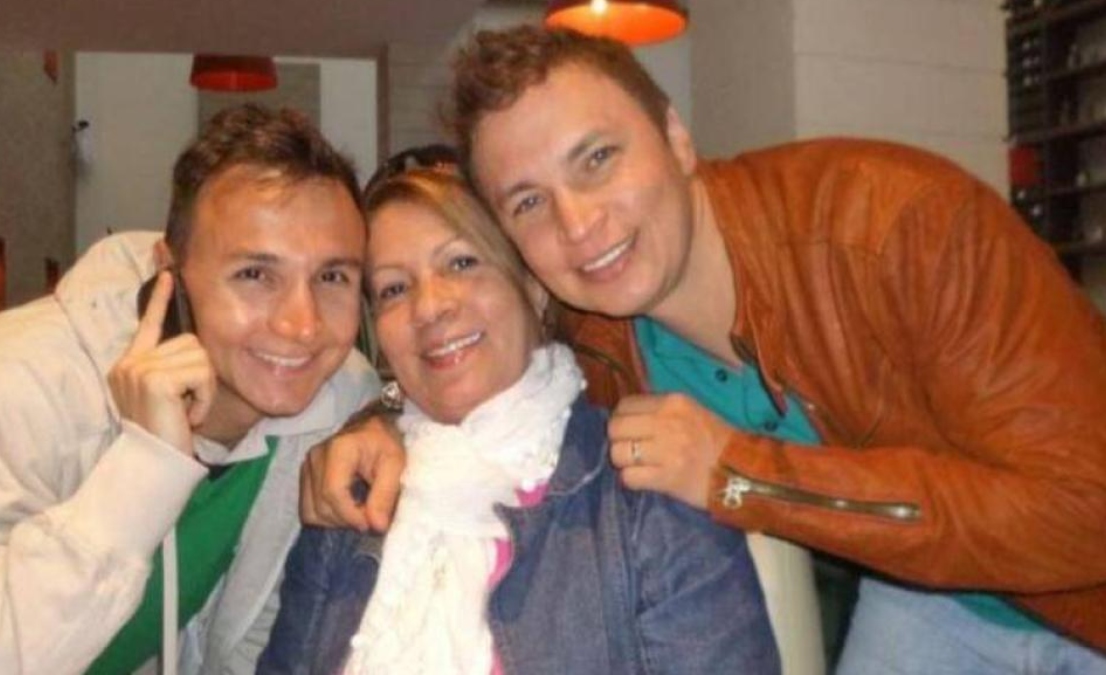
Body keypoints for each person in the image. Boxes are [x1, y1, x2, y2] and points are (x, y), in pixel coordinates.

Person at [303, 25, 1106, 673]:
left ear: (676, 137)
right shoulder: (591, 322)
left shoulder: (901, 227)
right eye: (529, 202)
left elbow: (1087, 516)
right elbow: (475, 354)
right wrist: (381, 421)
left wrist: (738, 472)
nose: (579, 224)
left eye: (597, 158)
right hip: (930, 598)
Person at [0, 103, 379, 674]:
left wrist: (391, 423)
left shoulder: (340, 396)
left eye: (332, 277)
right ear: (168, 275)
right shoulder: (13, 379)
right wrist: (144, 469)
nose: (301, 325)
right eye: (255, 274)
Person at [259, 158, 778, 674]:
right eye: (394, 288)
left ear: (533, 284)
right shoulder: (349, 498)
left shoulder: (646, 493)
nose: (430, 307)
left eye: (462, 263)